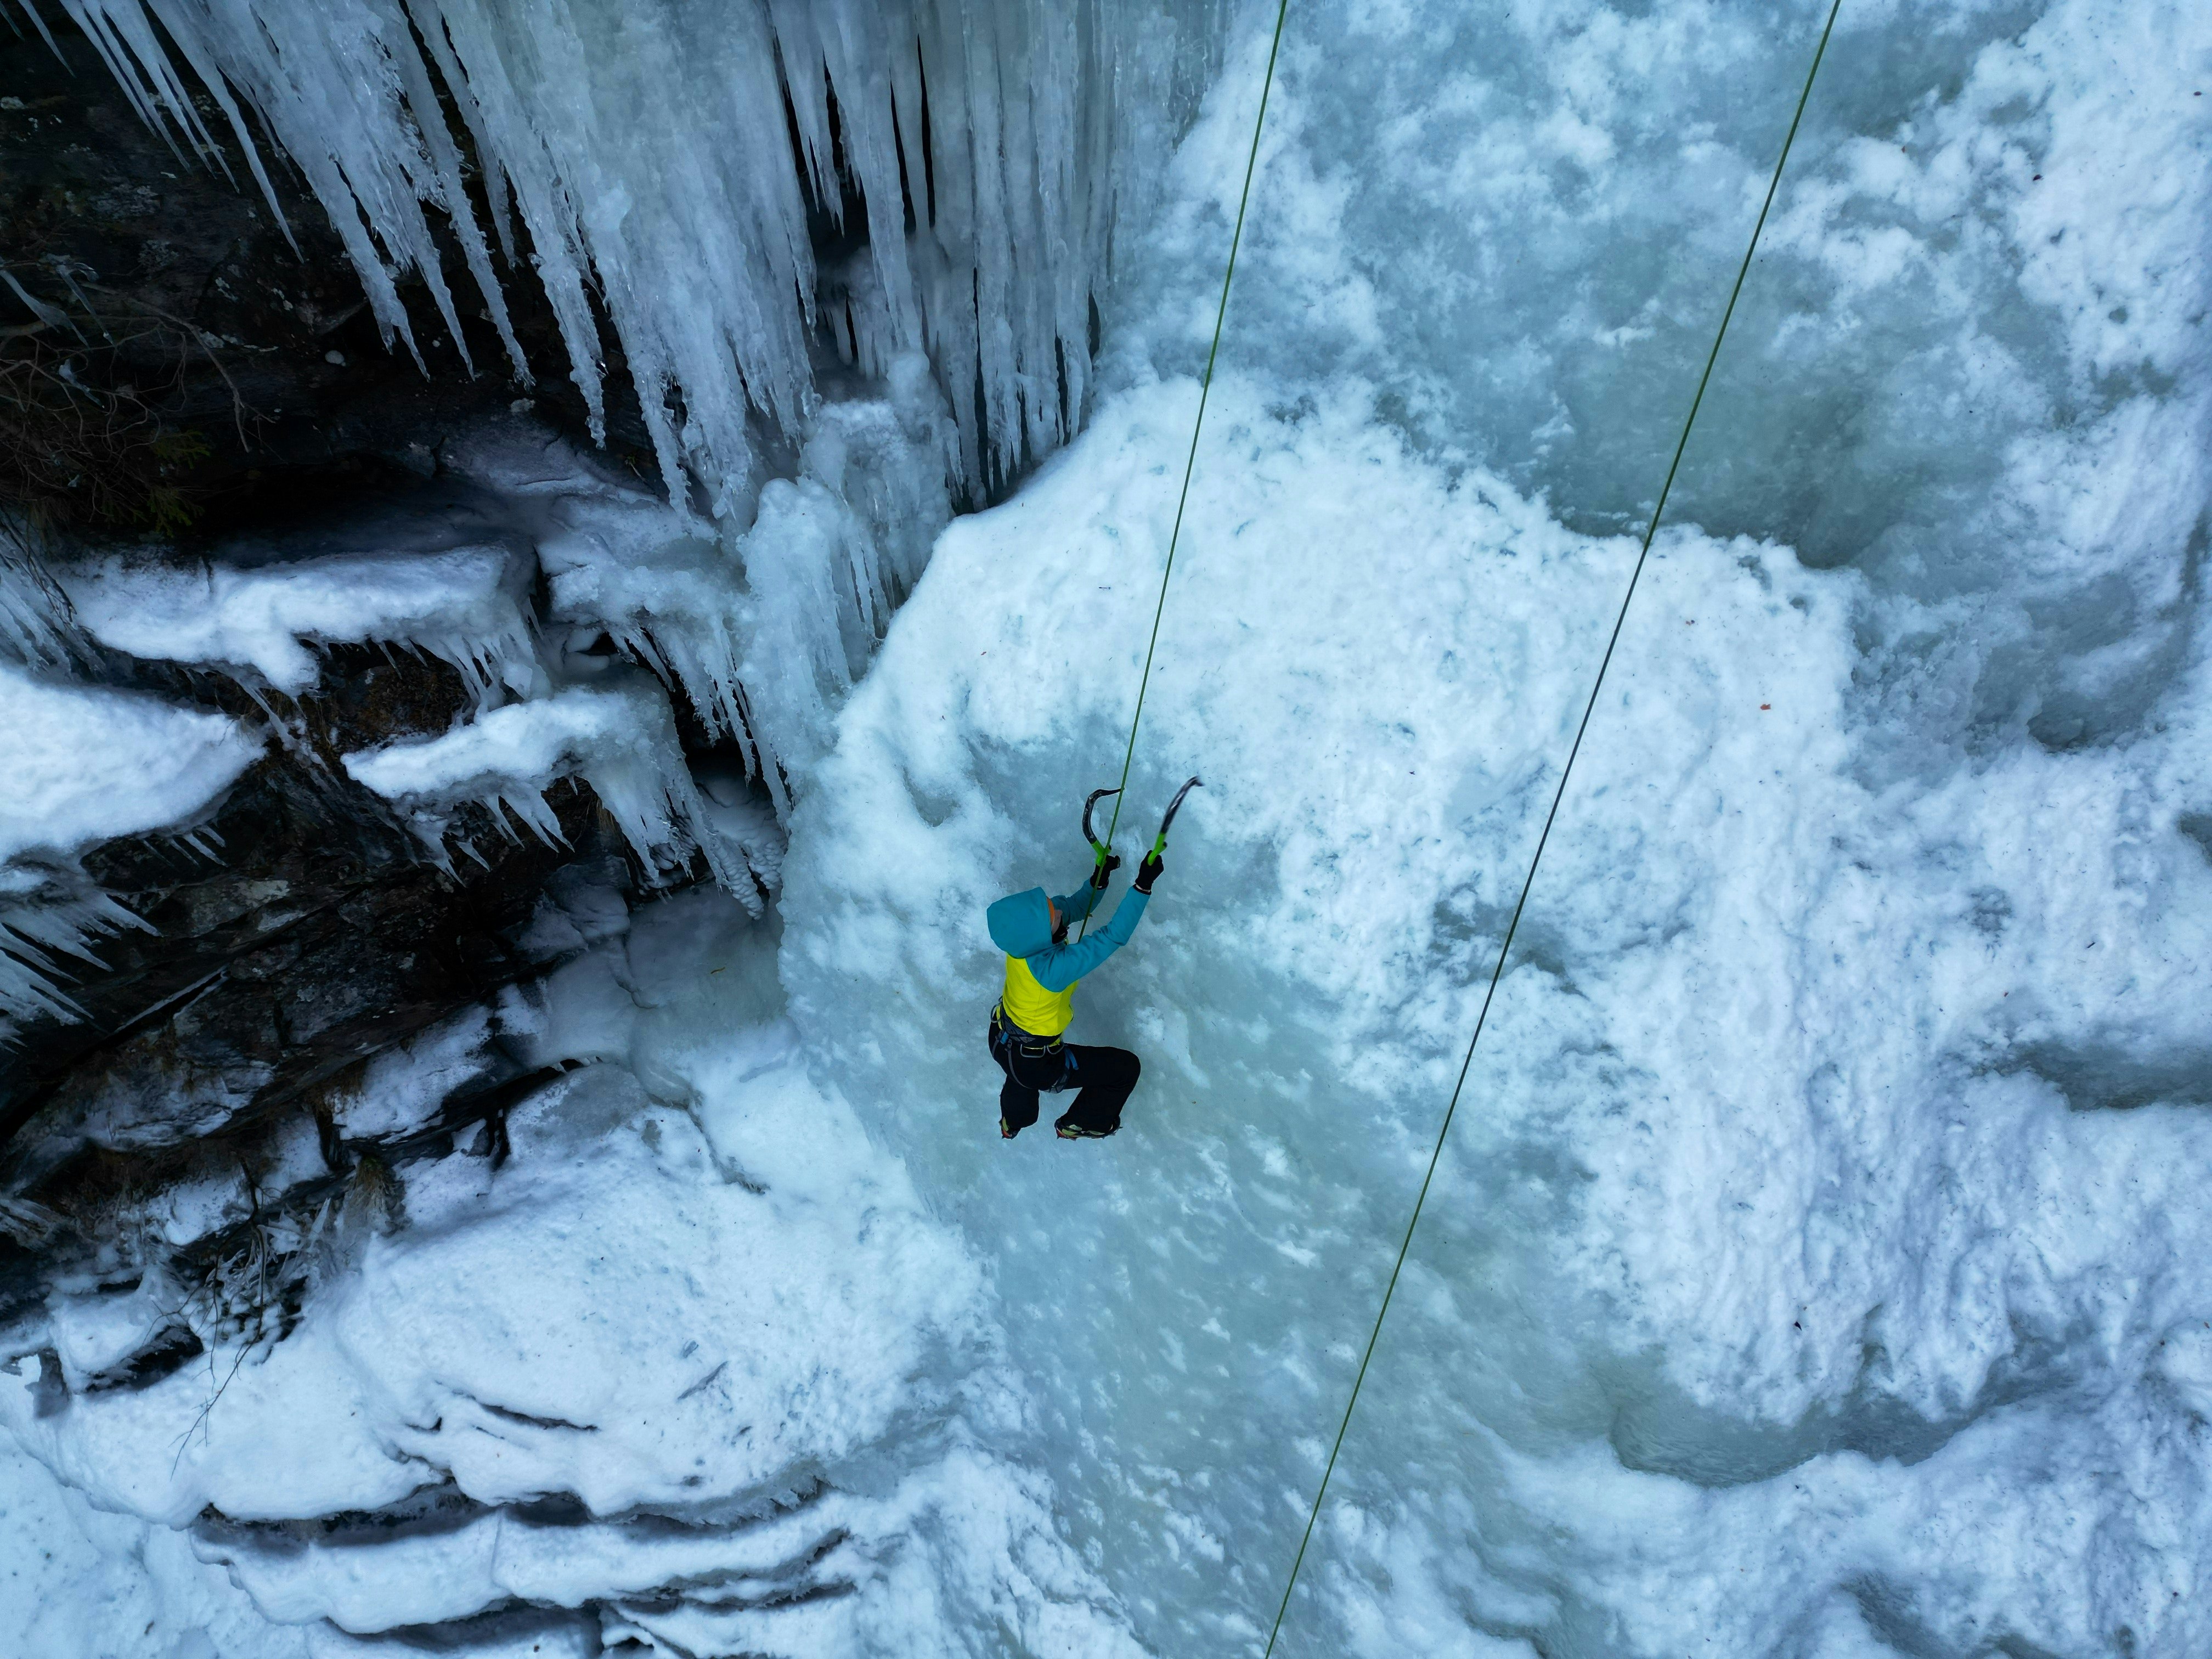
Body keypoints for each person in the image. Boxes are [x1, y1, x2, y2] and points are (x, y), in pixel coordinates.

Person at [985, 844, 1164, 1141]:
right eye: (1052, 913)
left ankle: (1012, 1122)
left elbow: (1076, 906)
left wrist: (1100, 878)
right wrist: (1142, 886)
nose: (1057, 908)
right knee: (1125, 1069)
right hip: (1037, 1062)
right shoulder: (1051, 971)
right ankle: (1083, 1122)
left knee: (1018, 1078)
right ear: (1042, 933)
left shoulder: (1022, 943)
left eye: (1047, 904)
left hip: (1000, 1038)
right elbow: (1113, 936)